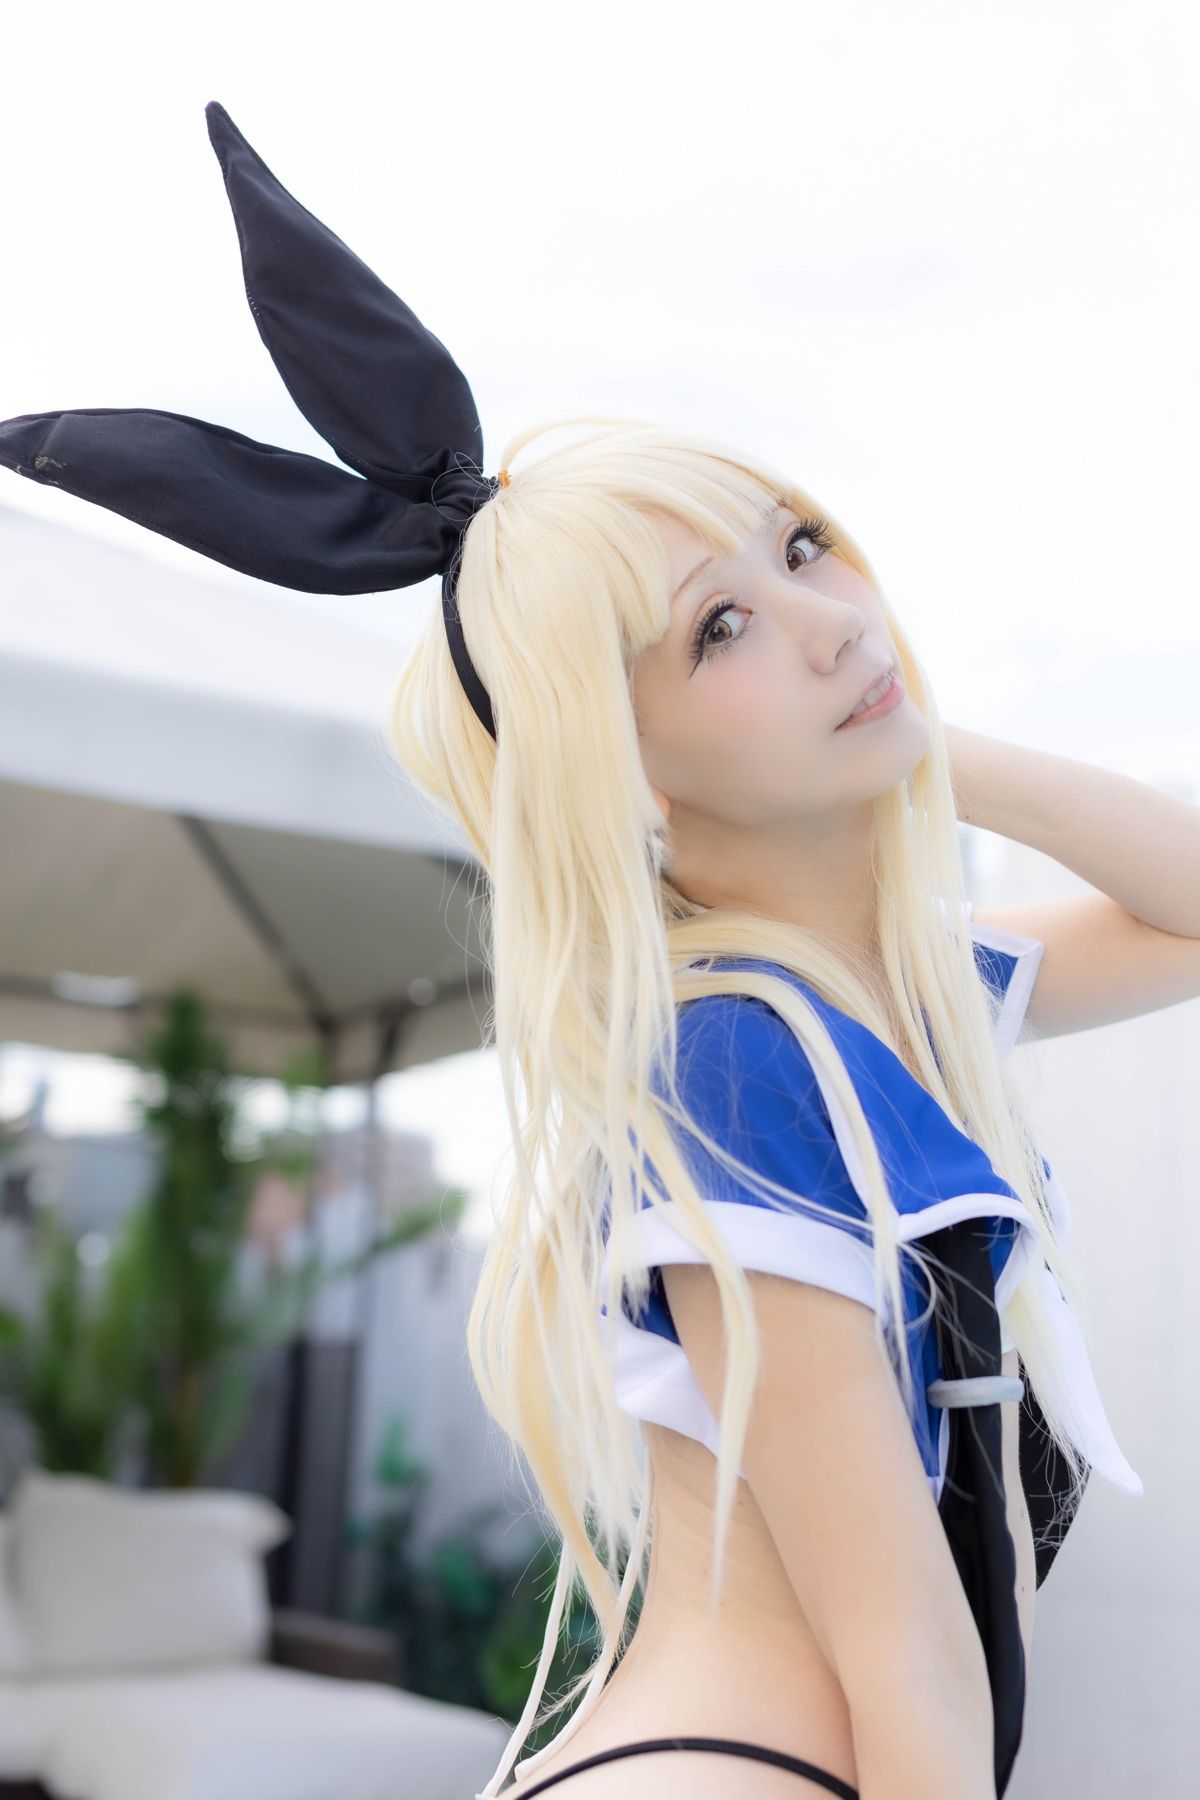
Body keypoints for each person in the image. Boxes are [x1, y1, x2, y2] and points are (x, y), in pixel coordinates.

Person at [1, 101, 1152, 1800]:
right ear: (631, 778)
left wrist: (922, 737)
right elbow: (898, 1642)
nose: (827, 618)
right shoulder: (737, 1054)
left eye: (800, 545)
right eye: (721, 628)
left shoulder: (901, 992)